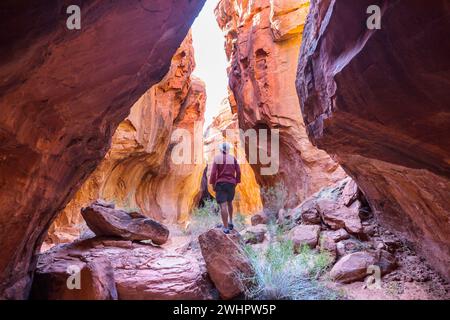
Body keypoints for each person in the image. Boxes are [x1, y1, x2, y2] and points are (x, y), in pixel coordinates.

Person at [209, 142, 241, 234]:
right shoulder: (233, 158)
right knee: (230, 202)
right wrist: (236, 182)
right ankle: (230, 221)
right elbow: (238, 171)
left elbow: (213, 172)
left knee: (223, 205)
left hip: (221, 183)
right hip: (231, 183)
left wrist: (213, 184)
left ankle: (226, 227)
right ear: (228, 149)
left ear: (220, 149)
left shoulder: (217, 158)